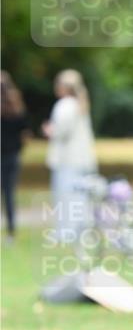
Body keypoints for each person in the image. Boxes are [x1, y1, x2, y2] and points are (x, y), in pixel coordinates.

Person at [42, 70, 97, 240]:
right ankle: (82, 231)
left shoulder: (65, 104)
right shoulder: (80, 104)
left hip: (67, 160)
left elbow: (61, 131)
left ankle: (67, 232)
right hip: (83, 159)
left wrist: (50, 130)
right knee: (81, 198)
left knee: (66, 197)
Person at [1, 71, 31, 240]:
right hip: (12, 155)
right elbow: (25, 134)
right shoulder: (16, 105)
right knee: (9, 195)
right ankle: (11, 232)